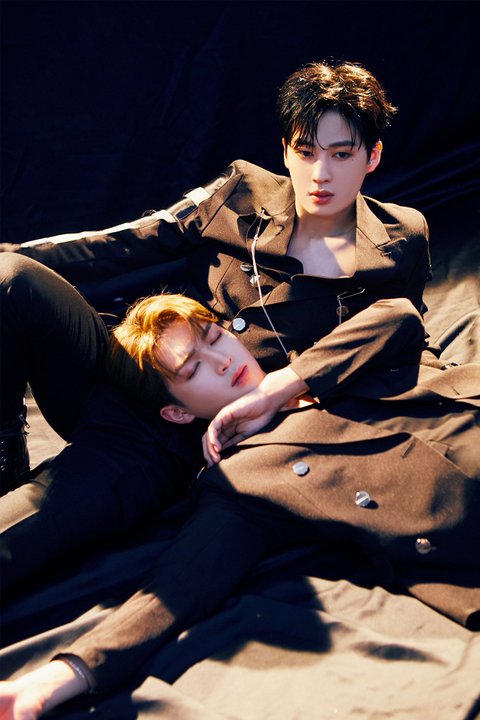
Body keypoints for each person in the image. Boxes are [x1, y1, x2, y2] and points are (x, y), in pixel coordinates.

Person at [0, 60, 433, 584]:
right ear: (286, 151)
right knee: (9, 277)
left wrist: (292, 395)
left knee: (18, 534)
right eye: (306, 152)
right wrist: (13, 249)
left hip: (171, 444)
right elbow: (127, 241)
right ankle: (5, 448)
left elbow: (400, 338)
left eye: (341, 155)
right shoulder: (242, 188)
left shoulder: (400, 238)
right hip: (122, 365)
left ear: (372, 156)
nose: (321, 174)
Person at [1, 292, 478, 719]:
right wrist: (56, 680)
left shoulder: (319, 360)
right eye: (193, 369)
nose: (223, 360)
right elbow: (180, 586)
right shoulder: (244, 477)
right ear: (178, 413)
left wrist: (281, 386)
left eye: (214, 337)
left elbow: (399, 314)